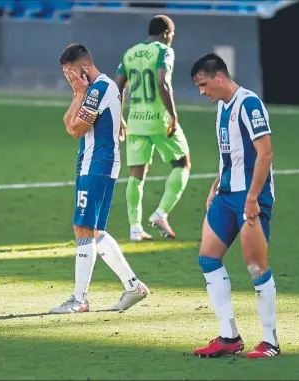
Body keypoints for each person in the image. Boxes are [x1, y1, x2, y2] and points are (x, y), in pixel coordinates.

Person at [190, 53, 280, 358]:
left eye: (203, 84)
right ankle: (229, 337)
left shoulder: (249, 103)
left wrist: (253, 197)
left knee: (255, 267)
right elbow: (230, 155)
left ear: (218, 77)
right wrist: (216, 184)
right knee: (208, 259)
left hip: (250, 197)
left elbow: (265, 153)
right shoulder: (221, 108)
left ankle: (270, 341)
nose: (202, 92)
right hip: (226, 195)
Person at [49, 43, 149, 314]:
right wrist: (77, 93)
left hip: (97, 163)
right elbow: (68, 121)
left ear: (83, 67)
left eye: (70, 73)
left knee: (82, 227)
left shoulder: (100, 88)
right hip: (95, 163)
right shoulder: (92, 90)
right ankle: (133, 286)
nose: (68, 79)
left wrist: (81, 93)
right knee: (93, 231)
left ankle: (79, 299)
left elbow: (76, 129)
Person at [115, 15, 191, 242]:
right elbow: (162, 82)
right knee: (182, 163)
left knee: (136, 174)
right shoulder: (163, 51)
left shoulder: (129, 53)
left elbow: (118, 88)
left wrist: (119, 118)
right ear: (167, 33)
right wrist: (173, 115)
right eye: (172, 36)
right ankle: (161, 213)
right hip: (159, 119)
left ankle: (135, 228)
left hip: (136, 120)